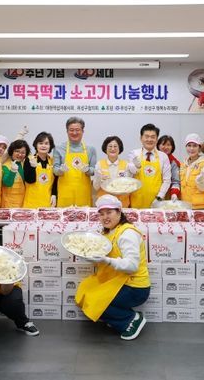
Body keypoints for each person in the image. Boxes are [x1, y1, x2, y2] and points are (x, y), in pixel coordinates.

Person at [76, 195, 150, 341]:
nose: (105, 217)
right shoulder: (107, 232)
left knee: (96, 300)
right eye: (101, 214)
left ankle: (130, 320)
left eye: (109, 212)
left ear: (119, 212)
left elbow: (132, 265)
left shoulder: (127, 234)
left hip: (134, 287)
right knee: (85, 289)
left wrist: (106, 260)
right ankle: (118, 316)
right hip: (117, 281)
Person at [53, 117, 97, 207]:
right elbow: (55, 170)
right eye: (71, 130)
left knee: (83, 214)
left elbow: (94, 171)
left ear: (83, 131)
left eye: (77, 130)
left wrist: (88, 170)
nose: (74, 133)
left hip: (83, 192)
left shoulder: (91, 149)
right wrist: (60, 170)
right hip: (65, 193)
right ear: (67, 131)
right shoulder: (59, 148)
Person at [127, 124, 171, 208]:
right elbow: (129, 176)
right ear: (141, 138)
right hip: (137, 200)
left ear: (157, 139)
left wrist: (159, 197)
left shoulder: (163, 156)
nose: (149, 139)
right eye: (146, 136)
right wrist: (135, 167)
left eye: (153, 137)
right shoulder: (134, 154)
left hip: (157, 202)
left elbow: (167, 180)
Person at [93, 136, 132, 207]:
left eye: (115, 146)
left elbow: (129, 186)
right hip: (104, 204)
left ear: (120, 148)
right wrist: (99, 179)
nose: (113, 149)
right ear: (105, 149)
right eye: (110, 146)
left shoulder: (126, 165)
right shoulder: (99, 164)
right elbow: (95, 187)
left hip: (122, 204)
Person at [23, 132, 57, 208]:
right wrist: (32, 167)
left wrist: (54, 194)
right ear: (36, 145)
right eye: (40, 143)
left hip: (48, 203)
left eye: (46, 143)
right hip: (31, 203)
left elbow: (55, 181)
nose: (43, 146)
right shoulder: (29, 159)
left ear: (50, 146)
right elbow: (29, 180)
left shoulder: (53, 161)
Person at [179, 134, 204, 209]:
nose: (191, 148)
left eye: (195, 146)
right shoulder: (183, 164)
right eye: (189, 145)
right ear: (186, 147)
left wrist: (200, 181)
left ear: (199, 148)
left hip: (199, 207)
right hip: (185, 205)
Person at [2, 140, 31, 208]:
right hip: (9, 205)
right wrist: (12, 171)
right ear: (12, 152)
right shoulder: (5, 166)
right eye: (17, 151)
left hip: (23, 204)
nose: (20, 154)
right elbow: (7, 183)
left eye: (23, 152)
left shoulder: (24, 164)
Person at [157, 135, 181, 200]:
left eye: (168, 145)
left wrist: (174, 194)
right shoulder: (152, 158)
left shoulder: (174, 163)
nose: (166, 147)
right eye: (163, 144)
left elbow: (176, 181)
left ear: (172, 147)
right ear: (158, 145)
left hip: (166, 196)